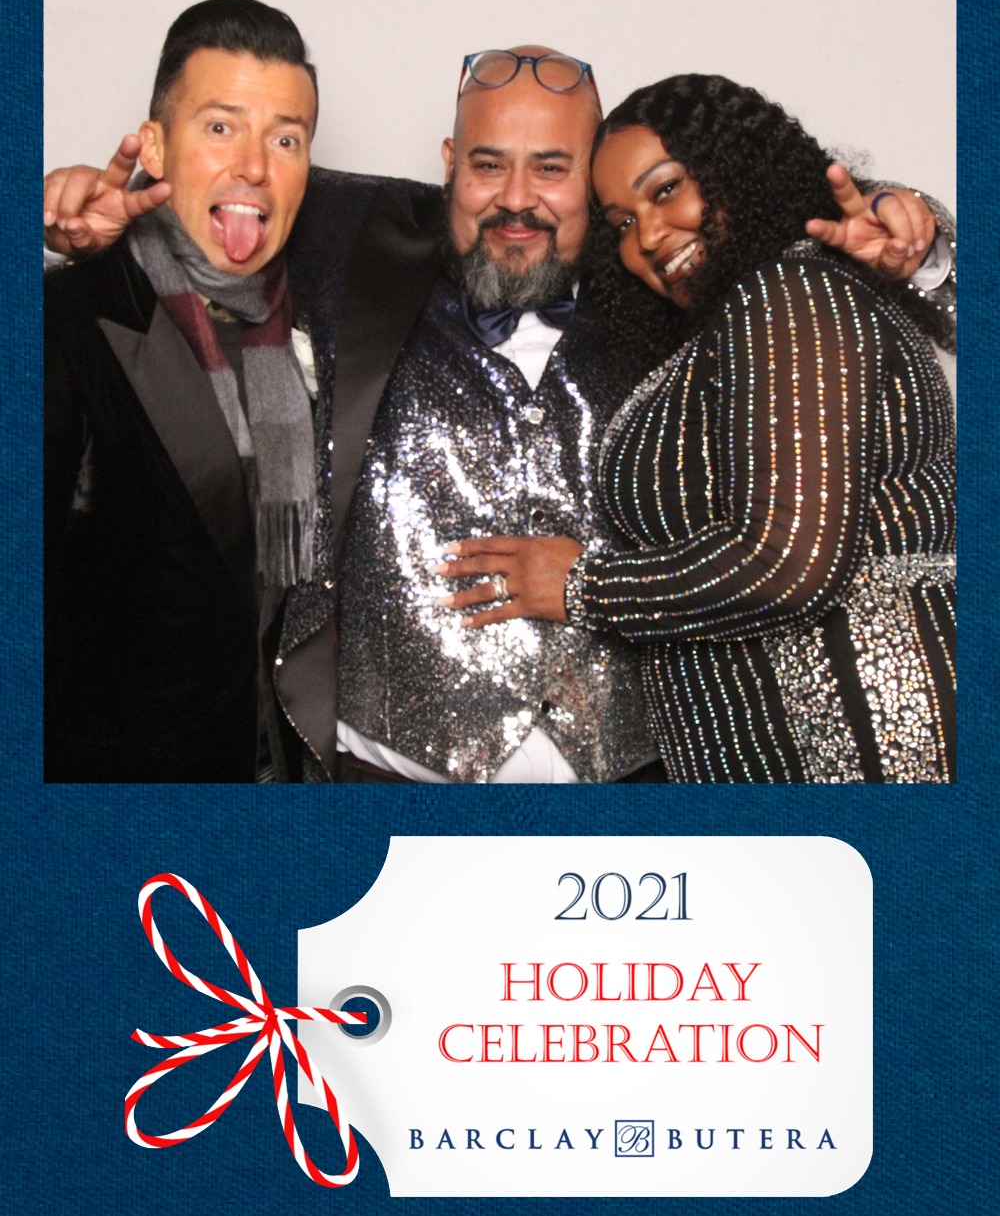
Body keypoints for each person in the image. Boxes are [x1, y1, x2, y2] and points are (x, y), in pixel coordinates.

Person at [44, 50, 953, 783]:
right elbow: (233, 192)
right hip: (387, 780)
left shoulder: (672, 294)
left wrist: (923, 236)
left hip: (647, 783)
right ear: (449, 165)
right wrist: (100, 211)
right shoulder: (348, 252)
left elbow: (795, 251)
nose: (517, 197)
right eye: (488, 165)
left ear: (593, 178)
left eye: (554, 168)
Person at [435, 74, 956, 783]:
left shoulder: (791, 291)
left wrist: (584, 586)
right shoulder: (716, 332)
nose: (648, 236)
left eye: (666, 190)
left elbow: (791, 563)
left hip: (861, 744)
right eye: (621, 223)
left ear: (735, 167)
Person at [45, 0, 320, 781]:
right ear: (157, 149)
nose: (255, 167)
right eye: (221, 127)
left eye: (286, 138)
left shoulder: (325, 312)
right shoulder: (66, 318)